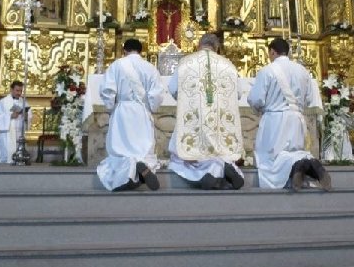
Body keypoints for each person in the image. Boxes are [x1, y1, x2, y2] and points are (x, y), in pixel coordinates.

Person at [247, 38, 332, 191]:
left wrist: (260, 108)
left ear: (273, 52)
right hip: (297, 119)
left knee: (272, 158)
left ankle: (297, 166)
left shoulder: (267, 71)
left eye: (269, 53)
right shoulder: (302, 71)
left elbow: (256, 99)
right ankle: (307, 163)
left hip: (275, 120)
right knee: (295, 150)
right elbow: (309, 99)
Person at [168, 33, 245, 190]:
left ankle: (208, 172)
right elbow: (237, 93)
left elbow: (173, 89)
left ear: (199, 45)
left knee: (183, 156)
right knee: (219, 150)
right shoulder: (228, 65)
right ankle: (222, 166)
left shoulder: (185, 63)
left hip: (194, 118)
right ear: (217, 48)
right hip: (218, 120)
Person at [96, 39, 164, 191]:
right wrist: (150, 107)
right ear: (141, 51)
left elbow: (107, 90)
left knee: (121, 150)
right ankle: (141, 167)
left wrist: (110, 105)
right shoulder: (150, 67)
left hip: (123, 111)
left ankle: (127, 174)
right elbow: (157, 94)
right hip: (141, 112)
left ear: (124, 50)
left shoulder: (116, 65)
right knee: (142, 149)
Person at [0, 81, 32, 164]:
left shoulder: (24, 102)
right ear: (11, 89)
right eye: (17, 90)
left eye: (21, 91)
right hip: (7, 132)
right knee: (6, 154)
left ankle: (19, 159)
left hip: (19, 132)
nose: (19, 93)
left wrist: (26, 116)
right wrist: (10, 116)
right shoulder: (2, 102)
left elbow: (29, 116)